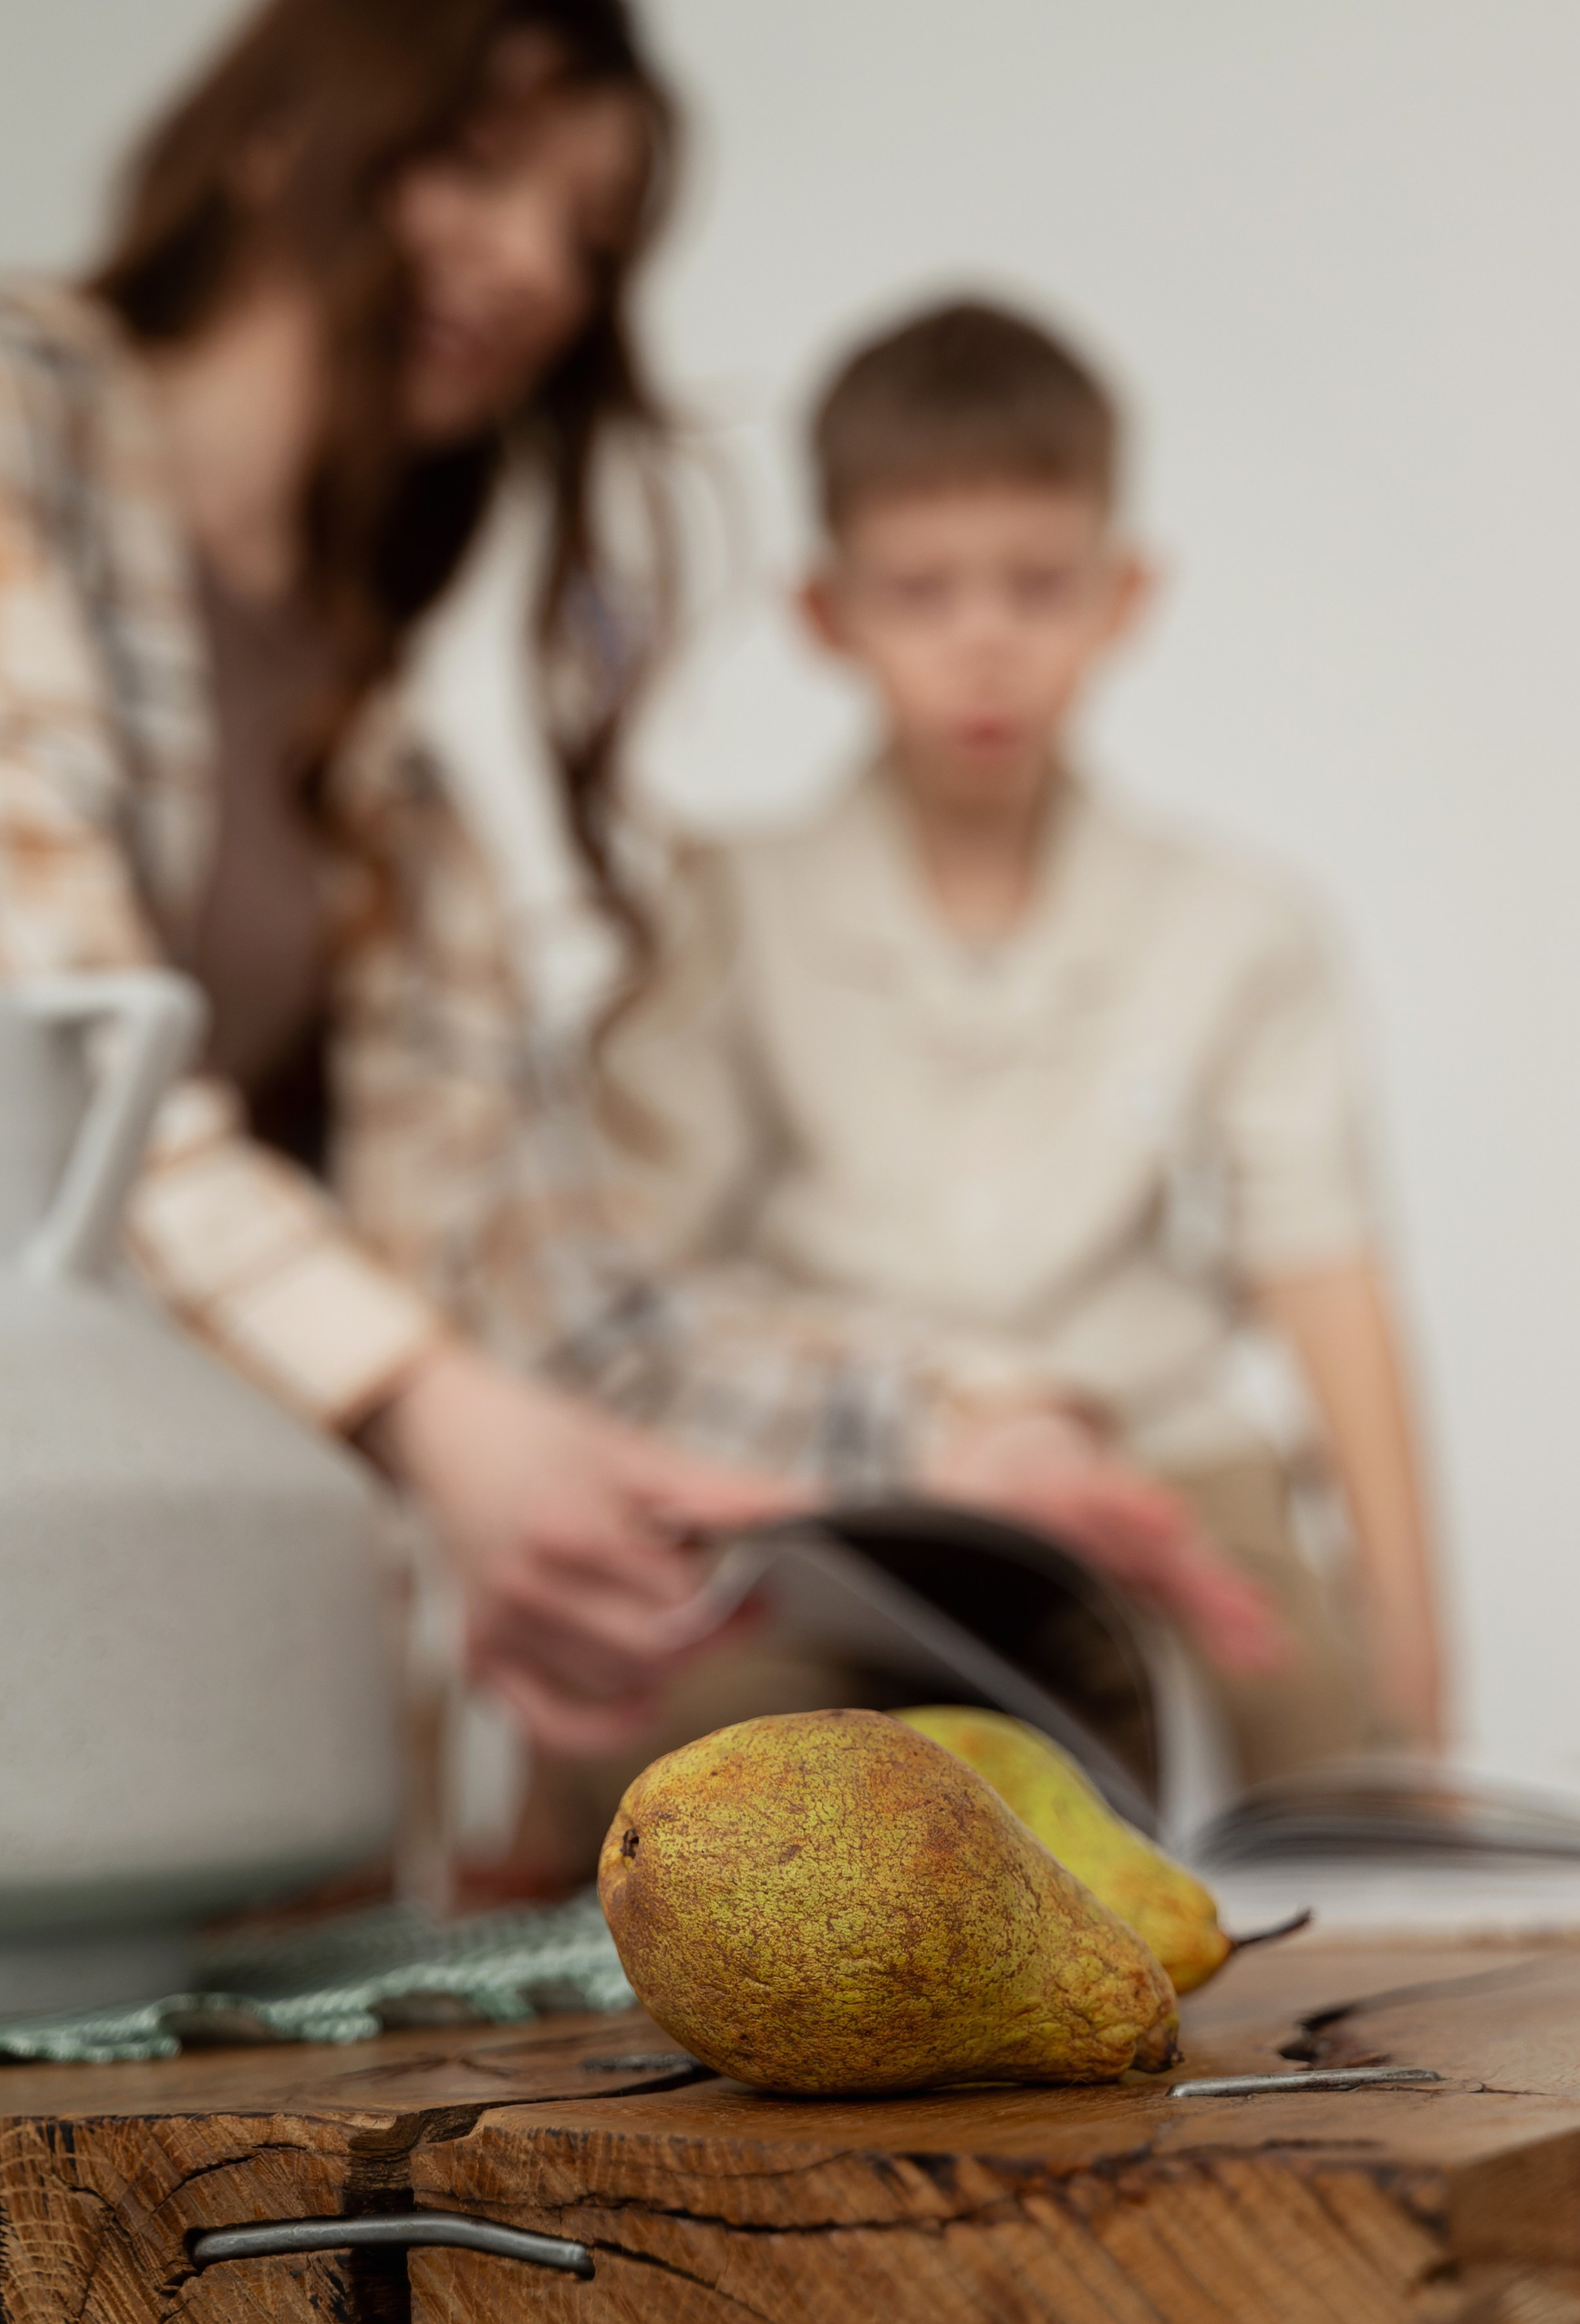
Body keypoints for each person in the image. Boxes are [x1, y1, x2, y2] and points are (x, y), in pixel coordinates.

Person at [0, 0, 1263, 1769]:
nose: (533, 267)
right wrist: (428, 1407)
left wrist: (968, 1433)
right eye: (476, 167)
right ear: (279, 130)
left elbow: (568, 1304)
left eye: (590, 231)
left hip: (151, 1662)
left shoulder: (390, 777)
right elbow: (47, 1065)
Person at [601, 295, 1446, 1779]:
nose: (981, 640)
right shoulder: (715, 914)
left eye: (1035, 585)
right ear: (825, 612)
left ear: (1122, 595)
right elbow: (629, 1276)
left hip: (1152, 1456)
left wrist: (1412, 1671)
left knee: (1313, 1732)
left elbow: (1322, 1271)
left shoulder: (1239, 921)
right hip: (836, 1477)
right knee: (685, 1758)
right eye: (920, 591)